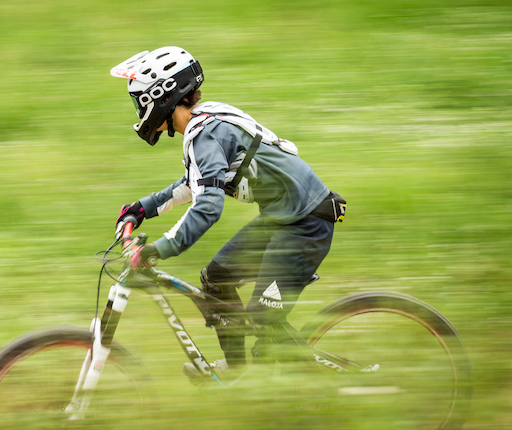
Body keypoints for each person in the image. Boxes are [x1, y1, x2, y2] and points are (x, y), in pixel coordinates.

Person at [110, 46, 346, 381]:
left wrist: (157, 249)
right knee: (217, 280)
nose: (140, 110)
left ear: (161, 96)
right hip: (284, 220)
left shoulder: (205, 133)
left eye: (140, 102)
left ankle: (331, 388)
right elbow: (197, 184)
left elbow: (207, 207)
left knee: (266, 322)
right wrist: (141, 209)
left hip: (306, 225)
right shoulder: (204, 125)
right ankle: (240, 374)